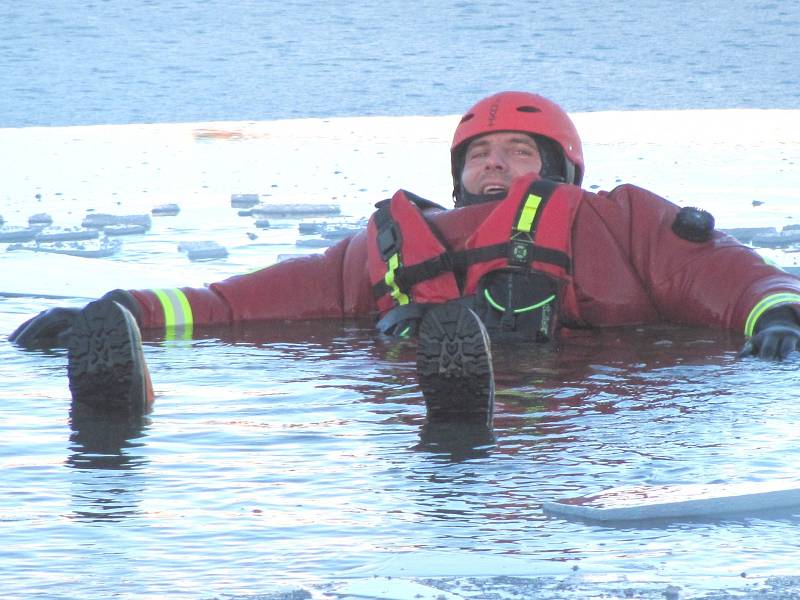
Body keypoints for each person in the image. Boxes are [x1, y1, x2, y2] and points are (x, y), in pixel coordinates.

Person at [11, 91, 800, 425]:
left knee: (461, 416)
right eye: (479, 154)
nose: (494, 166)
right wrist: (122, 310)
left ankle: (463, 424)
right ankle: (117, 407)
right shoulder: (383, 247)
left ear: (562, 167)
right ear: (457, 172)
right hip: (437, 384)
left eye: (518, 151)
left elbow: (731, 276)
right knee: (431, 398)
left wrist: (779, 318)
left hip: (575, 403)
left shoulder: (620, 219)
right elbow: (240, 302)